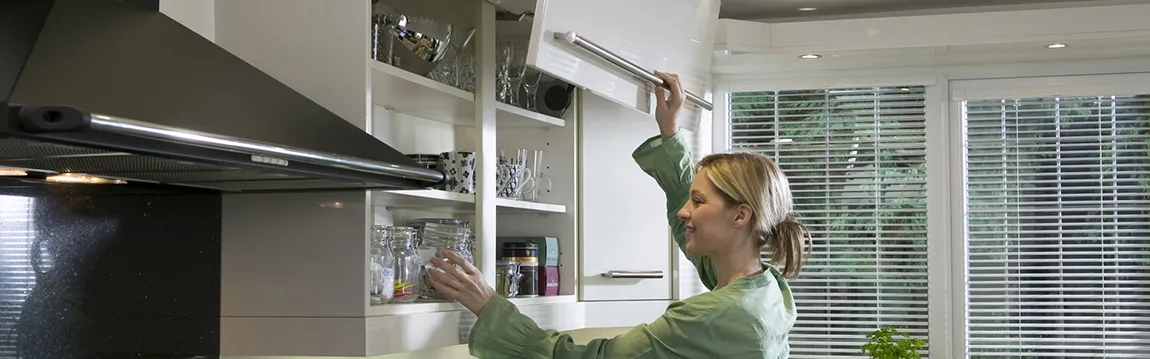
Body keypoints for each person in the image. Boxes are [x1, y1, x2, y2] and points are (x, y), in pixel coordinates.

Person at [427, 71, 811, 358]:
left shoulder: (715, 315)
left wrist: (489, 305)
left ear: (740, 216)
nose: (684, 210)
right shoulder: (765, 289)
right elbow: (685, 208)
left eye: (699, 201)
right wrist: (669, 130)